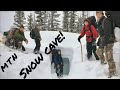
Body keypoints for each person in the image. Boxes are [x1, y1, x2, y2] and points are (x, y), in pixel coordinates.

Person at [96, 11, 116, 78]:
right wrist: (99, 41)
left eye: (99, 14)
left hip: (109, 41)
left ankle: (112, 72)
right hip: (104, 40)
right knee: (98, 51)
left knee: (109, 57)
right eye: (97, 14)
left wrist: (103, 43)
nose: (98, 15)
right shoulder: (100, 21)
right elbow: (101, 33)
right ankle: (103, 61)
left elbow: (107, 33)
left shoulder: (105, 20)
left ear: (102, 14)